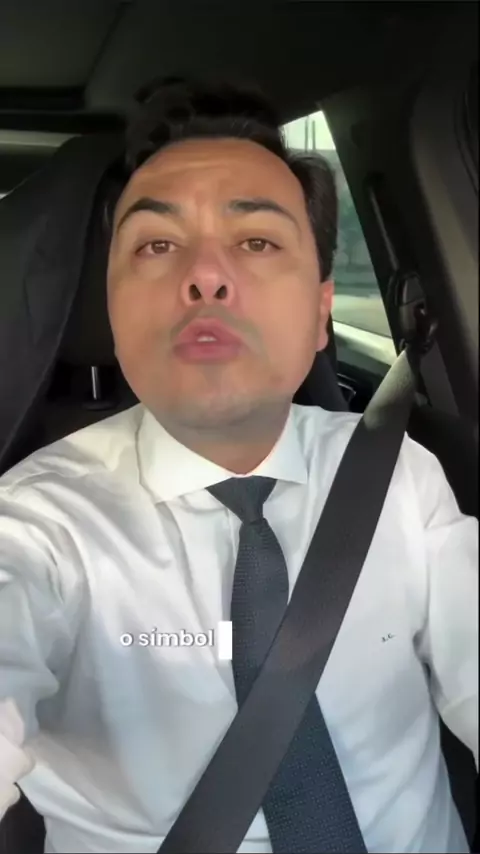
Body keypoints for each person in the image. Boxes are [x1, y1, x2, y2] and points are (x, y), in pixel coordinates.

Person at [0, 77, 477, 854]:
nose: (206, 274)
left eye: (256, 241)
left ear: (321, 313)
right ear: (113, 312)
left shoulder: (400, 477)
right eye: (156, 245)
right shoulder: (33, 523)